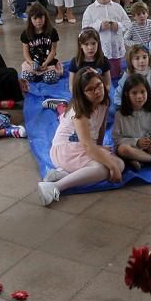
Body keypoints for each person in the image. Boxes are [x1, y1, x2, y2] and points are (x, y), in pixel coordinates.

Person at [37, 68, 116, 206]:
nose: (97, 91)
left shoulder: (104, 101)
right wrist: (112, 167)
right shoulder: (80, 113)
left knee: (116, 162)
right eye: (90, 89)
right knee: (106, 168)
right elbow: (88, 147)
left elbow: (101, 126)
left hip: (80, 147)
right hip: (65, 150)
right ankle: (56, 186)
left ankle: (63, 173)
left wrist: (99, 145)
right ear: (82, 94)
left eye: (98, 85)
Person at [81, 0, 131, 78]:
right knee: (99, 74)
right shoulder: (90, 10)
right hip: (99, 48)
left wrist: (118, 26)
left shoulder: (118, 7)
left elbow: (128, 24)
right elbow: (84, 29)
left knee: (115, 75)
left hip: (115, 47)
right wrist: (99, 26)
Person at [19, 2, 63, 84]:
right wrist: (31, 62)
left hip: (48, 63)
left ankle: (46, 74)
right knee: (26, 77)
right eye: (35, 18)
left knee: (50, 79)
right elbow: (25, 52)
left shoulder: (52, 32)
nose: (38, 21)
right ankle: (37, 75)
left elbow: (53, 51)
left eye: (41, 18)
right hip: (33, 64)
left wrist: (46, 63)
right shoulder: (26, 34)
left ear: (45, 17)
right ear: (30, 19)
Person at [67, 27, 112, 96]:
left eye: (93, 43)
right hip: (82, 96)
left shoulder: (104, 61)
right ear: (80, 45)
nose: (90, 48)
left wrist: (102, 95)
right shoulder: (75, 62)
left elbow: (108, 84)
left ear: (98, 43)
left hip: (99, 94)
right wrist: (79, 98)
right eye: (86, 44)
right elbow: (72, 86)